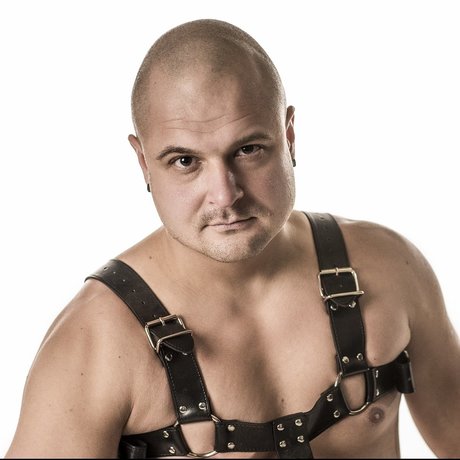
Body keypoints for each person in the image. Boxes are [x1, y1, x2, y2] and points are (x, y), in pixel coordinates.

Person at [5, 18, 459, 459]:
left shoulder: (388, 267)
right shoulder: (95, 344)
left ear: (289, 136)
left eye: (247, 149)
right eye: (185, 161)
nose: (225, 195)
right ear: (144, 163)